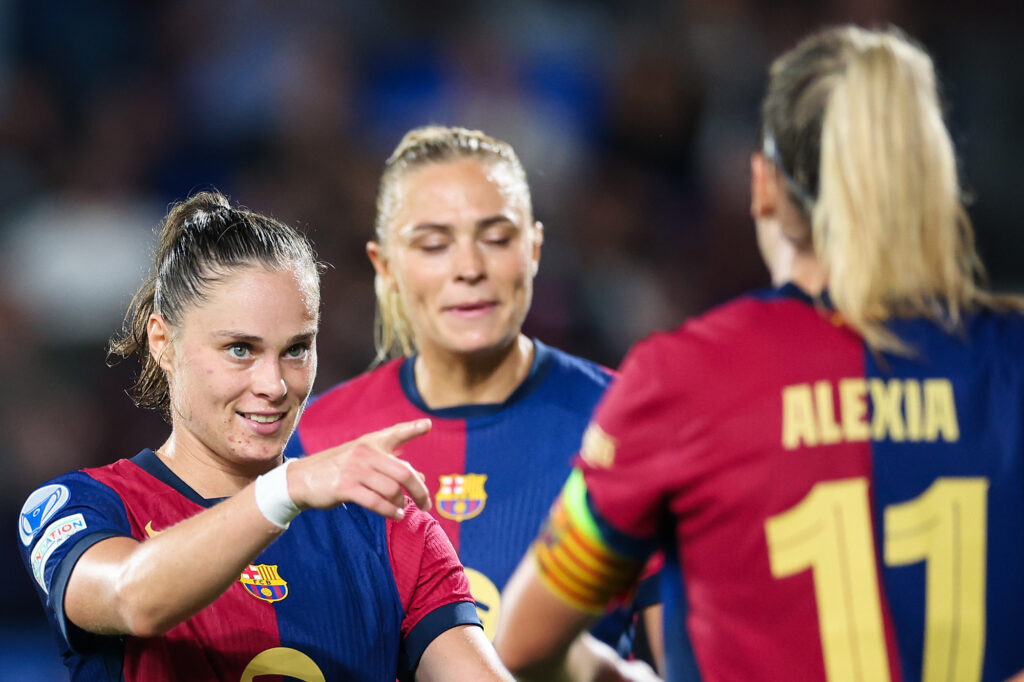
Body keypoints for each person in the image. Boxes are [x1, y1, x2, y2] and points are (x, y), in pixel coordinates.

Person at [494, 25, 1024, 682]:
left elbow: (520, 645)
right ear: (935, 181)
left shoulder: (681, 378)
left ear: (763, 184)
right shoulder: (1010, 362)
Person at [16, 191, 513, 681]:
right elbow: (132, 598)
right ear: (162, 341)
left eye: (296, 349)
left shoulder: (390, 530)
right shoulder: (83, 507)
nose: (274, 386)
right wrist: (284, 490)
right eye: (240, 349)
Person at [286, 126, 662, 680]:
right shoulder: (314, 439)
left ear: (534, 248)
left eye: (496, 237)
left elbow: (693, 659)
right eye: (434, 244)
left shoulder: (629, 421)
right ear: (384, 265)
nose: (469, 268)